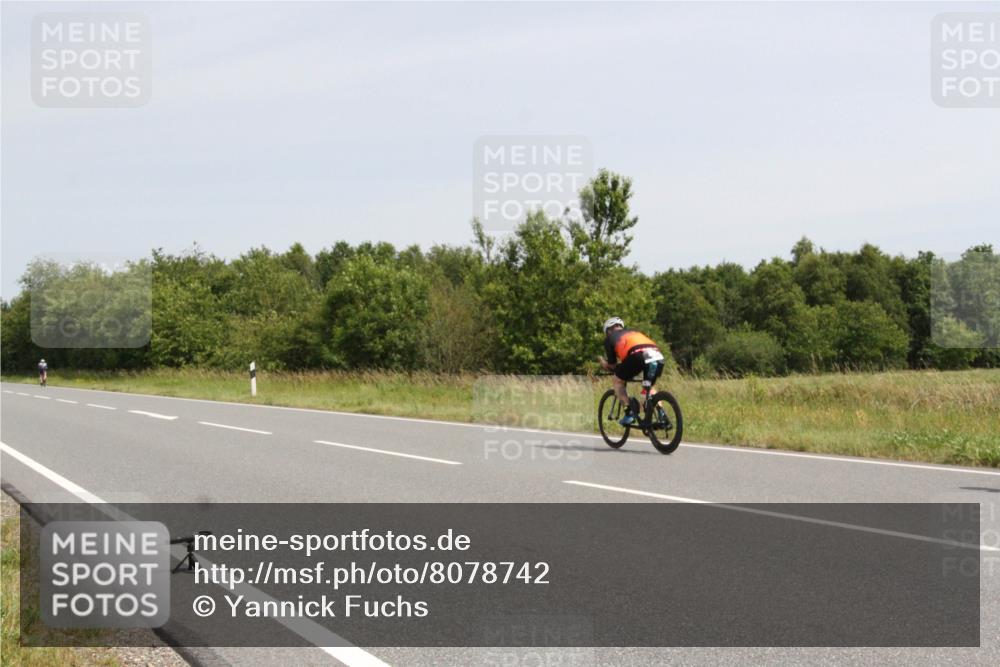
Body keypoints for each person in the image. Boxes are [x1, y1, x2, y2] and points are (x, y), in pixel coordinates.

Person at [598, 317, 665, 426]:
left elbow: (613, 365)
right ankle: (662, 414)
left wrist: (604, 364)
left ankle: (629, 413)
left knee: (617, 380)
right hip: (657, 355)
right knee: (648, 387)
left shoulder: (610, 338)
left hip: (638, 356)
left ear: (609, 330)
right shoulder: (635, 332)